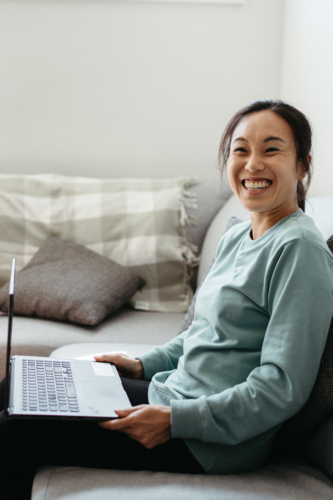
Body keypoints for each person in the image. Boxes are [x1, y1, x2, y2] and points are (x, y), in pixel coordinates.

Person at [1, 99, 332, 499]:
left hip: (211, 440)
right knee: (16, 387)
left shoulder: (300, 249)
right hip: (172, 396)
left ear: (302, 165)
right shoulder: (237, 235)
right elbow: (202, 334)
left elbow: (283, 385)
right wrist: (142, 365)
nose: (253, 163)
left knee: (13, 432)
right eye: (241, 149)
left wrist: (176, 422)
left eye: (272, 149)